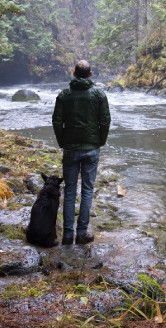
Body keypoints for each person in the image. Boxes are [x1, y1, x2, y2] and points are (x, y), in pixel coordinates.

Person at [52, 60, 111, 245]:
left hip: (70, 148)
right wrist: (100, 141)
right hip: (91, 149)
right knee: (87, 190)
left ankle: (68, 235)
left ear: (74, 73)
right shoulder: (99, 94)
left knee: (69, 192)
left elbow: (56, 121)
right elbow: (105, 121)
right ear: (90, 74)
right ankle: (82, 233)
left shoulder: (64, 95)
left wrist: (62, 142)